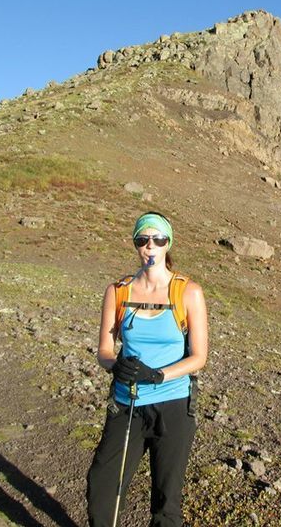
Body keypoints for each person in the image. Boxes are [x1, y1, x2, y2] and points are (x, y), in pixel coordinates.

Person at [86, 211, 208, 527]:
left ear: (168, 244)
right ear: (136, 244)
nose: (150, 246)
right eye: (143, 239)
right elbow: (104, 350)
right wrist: (116, 366)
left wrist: (158, 375)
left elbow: (199, 357)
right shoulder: (118, 291)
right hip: (127, 404)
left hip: (174, 405)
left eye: (158, 239)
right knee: (102, 485)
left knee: (166, 498)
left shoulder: (188, 292)